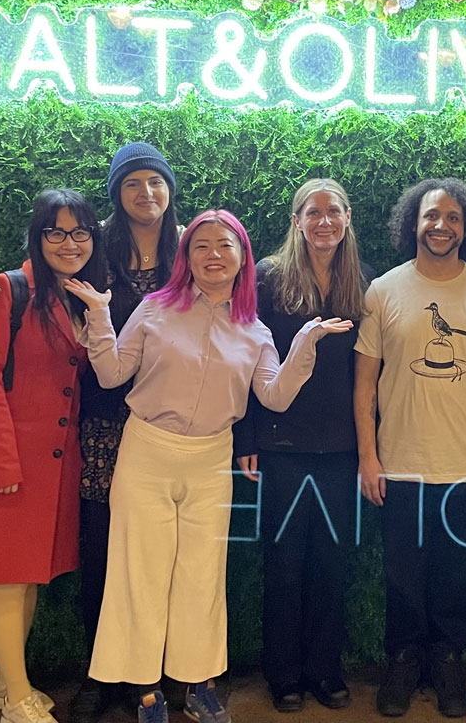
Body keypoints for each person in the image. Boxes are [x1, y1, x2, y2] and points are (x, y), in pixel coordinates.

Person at [63, 210, 353, 723]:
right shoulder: (154, 309)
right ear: (186, 257)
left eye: (225, 245)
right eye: (201, 246)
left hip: (211, 458)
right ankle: (147, 691)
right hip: (148, 450)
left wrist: (305, 343)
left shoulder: (256, 330)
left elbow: (275, 397)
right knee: (140, 573)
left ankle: (198, 684)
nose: (213, 255)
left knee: (201, 576)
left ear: (242, 258)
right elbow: (110, 375)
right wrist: (99, 315)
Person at [0, 143, 180, 722]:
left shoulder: (188, 250)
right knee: (100, 551)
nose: (146, 194)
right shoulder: (93, 252)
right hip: (97, 426)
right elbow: (31, 320)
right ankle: (101, 673)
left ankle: (158, 674)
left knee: (159, 555)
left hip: (168, 424)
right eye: (133, 183)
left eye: (156, 182)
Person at [0, 189, 108, 723]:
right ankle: (17, 697)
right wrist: (2, 466)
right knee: (8, 577)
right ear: (38, 235)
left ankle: (3, 681)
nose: (69, 242)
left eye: (80, 232)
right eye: (56, 231)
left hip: (54, 465)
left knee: (26, 575)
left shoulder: (79, 295)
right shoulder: (4, 292)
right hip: (6, 462)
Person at [354, 178, 466, 718]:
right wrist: (368, 457)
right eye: (431, 216)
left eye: (452, 217)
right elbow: (363, 386)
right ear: (414, 223)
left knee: (456, 576)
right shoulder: (384, 290)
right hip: (400, 467)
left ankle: (448, 658)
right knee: (401, 576)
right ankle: (404, 658)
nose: (441, 225)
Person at [233, 178, 371, 713]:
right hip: (280, 443)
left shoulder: (363, 283)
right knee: (284, 565)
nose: (323, 222)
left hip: (340, 448)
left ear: (347, 217)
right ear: (297, 221)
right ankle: (283, 674)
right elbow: (245, 362)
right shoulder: (266, 279)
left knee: (332, 566)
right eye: (311, 213)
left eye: (332, 211)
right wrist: (247, 436)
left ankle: (324, 670)